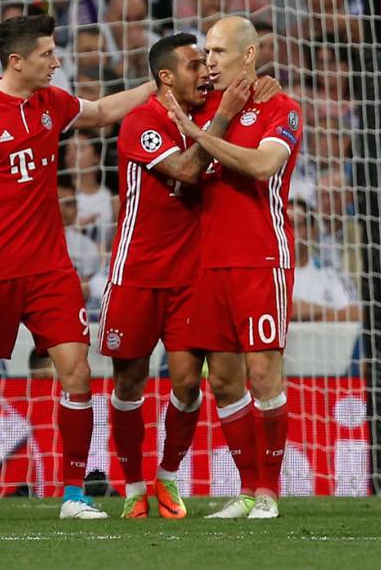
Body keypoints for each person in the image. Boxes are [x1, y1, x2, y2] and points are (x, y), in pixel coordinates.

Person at [0, 14, 156, 520]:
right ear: (17, 61)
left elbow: (99, 111)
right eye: (48, 54)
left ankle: (74, 495)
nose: (57, 61)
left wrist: (153, 85)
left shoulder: (52, 103)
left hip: (52, 269)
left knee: (76, 371)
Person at [100, 32, 259, 519]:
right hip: (138, 273)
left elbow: (249, 90)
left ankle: (167, 480)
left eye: (207, 62)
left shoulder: (208, 109)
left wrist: (261, 83)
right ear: (166, 77)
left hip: (193, 277)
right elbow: (189, 170)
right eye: (195, 64)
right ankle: (131, 488)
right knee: (130, 383)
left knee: (189, 384)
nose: (206, 71)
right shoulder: (142, 123)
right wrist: (225, 118)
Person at [166, 16, 303, 520]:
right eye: (206, 53)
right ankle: (247, 490)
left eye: (219, 52)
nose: (209, 62)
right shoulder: (208, 108)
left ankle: (269, 493)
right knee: (224, 381)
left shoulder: (282, 107)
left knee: (264, 374)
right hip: (208, 263)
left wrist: (200, 135)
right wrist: (208, 123)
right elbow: (185, 171)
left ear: (249, 55)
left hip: (261, 259)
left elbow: (264, 165)